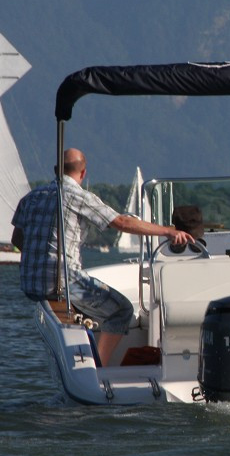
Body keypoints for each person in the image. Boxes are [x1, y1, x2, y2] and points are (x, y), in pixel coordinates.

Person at [11, 148, 193, 366]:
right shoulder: (79, 197)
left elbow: (17, 240)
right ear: (83, 172)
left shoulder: (30, 198)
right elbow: (122, 223)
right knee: (122, 310)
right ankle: (99, 367)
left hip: (30, 284)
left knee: (90, 304)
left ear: (56, 170)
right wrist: (167, 231)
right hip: (63, 281)